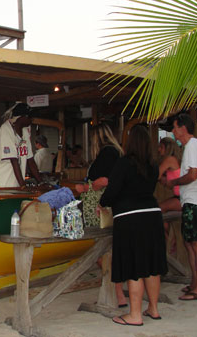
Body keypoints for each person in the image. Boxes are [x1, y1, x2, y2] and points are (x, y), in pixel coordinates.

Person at [100, 125, 167, 326]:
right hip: (153, 216)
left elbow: (112, 191)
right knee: (151, 265)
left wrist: (102, 203)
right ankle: (153, 309)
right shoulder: (153, 165)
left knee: (134, 266)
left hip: (130, 217)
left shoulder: (123, 164)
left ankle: (134, 315)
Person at [75, 123, 127, 307]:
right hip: (107, 205)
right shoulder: (117, 152)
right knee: (108, 251)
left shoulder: (107, 153)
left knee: (102, 251)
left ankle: (117, 292)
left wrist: (87, 187)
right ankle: (116, 291)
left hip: (99, 206)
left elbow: (105, 180)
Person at [166, 113, 197, 301]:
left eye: (175, 127)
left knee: (195, 244)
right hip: (190, 201)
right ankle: (194, 282)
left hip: (194, 201)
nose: (173, 131)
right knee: (190, 244)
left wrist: (176, 182)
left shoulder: (193, 145)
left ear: (183, 128)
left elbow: (193, 175)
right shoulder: (190, 147)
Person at [0, 102, 42, 188]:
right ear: (21, 118)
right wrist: (23, 186)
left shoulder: (25, 132)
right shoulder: (6, 129)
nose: (32, 119)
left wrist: (41, 183)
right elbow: (14, 160)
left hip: (12, 182)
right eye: (30, 117)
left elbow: (30, 161)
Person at [158, 137, 182, 213]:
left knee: (159, 209)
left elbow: (156, 175)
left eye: (161, 147)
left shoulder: (170, 160)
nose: (159, 149)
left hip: (182, 197)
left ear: (167, 148)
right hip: (179, 196)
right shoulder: (174, 160)